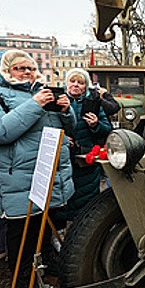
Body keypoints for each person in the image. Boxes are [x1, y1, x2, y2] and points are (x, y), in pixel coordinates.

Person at [0, 49, 75, 288]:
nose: (27, 72)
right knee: (21, 235)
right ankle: (23, 282)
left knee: (43, 228)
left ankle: (45, 267)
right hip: (16, 178)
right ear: (5, 71)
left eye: (30, 67)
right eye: (19, 68)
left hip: (45, 175)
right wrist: (35, 105)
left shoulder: (40, 94)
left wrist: (66, 112)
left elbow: (68, 129)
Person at [53, 68, 112, 224]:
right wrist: (62, 137)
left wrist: (95, 124)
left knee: (86, 203)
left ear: (86, 86)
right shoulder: (57, 102)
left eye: (81, 82)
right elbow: (48, 127)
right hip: (63, 159)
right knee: (64, 200)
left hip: (85, 160)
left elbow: (107, 129)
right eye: (72, 81)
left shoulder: (93, 104)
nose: (76, 85)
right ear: (67, 84)